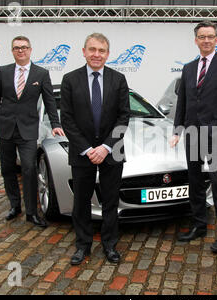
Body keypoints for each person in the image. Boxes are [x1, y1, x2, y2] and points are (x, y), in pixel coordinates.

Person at [170, 21, 217, 254]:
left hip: (215, 135)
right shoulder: (189, 68)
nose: (206, 40)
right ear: (196, 40)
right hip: (192, 135)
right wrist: (177, 130)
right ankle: (199, 225)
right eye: (202, 37)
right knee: (195, 183)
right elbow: (183, 102)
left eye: (210, 36)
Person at [60, 33, 130, 265]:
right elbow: (67, 119)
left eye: (101, 50)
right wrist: (89, 149)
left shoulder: (118, 79)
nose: (96, 54)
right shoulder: (70, 79)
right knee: (81, 202)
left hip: (112, 151)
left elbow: (123, 117)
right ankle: (83, 246)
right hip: (83, 153)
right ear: (84, 51)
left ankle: (110, 246)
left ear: (108, 54)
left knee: (111, 201)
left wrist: (106, 147)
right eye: (92, 49)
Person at [0, 36, 64, 228]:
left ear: (30, 50)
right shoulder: (3, 72)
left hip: (28, 130)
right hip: (4, 129)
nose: (20, 51)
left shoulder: (41, 74)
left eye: (23, 47)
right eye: (16, 48)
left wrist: (56, 123)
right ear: (12, 51)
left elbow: (49, 102)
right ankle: (14, 206)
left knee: (29, 169)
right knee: (8, 169)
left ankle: (31, 212)